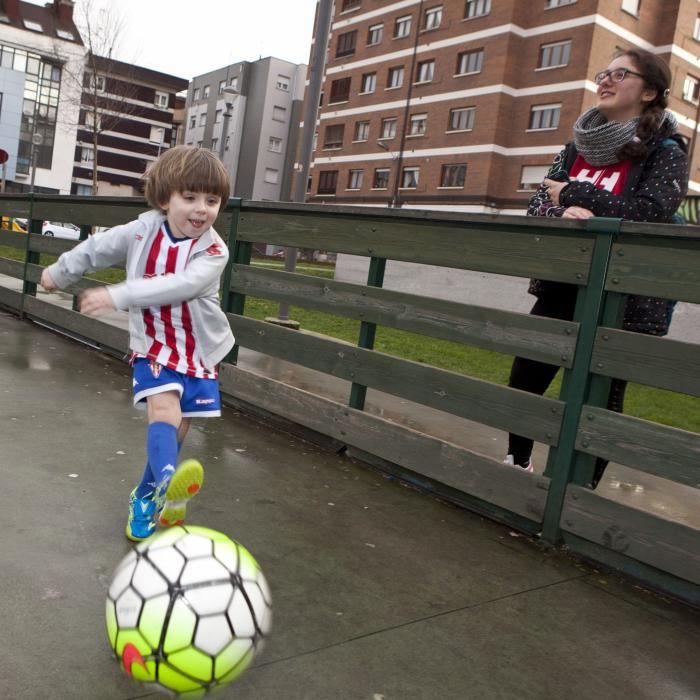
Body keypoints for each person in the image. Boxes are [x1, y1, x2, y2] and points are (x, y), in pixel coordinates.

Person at [505, 48, 688, 487]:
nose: (605, 80)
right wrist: (558, 211)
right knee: (524, 381)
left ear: (648, 91)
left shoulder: (665, 151)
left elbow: (650, 213)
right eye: (604, 73)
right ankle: (517, 469)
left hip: (623, 298)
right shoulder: (575, 147)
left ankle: (577, 490)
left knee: (600, 399)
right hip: (563, 283)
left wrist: (572, 195)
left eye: (620, 74)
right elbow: (536, 206)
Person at [40, 146, 235, 540]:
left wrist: (119, 295)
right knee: (163, 412)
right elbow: (98, 248)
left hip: (197, 352)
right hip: (154, 345)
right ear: (166, 199)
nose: (202, 210)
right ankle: (167, 482)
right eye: (190, 197)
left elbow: (182, 285)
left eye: (212, 201)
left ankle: (147, 495)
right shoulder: (143, 229)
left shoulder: (214, 250)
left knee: (178, 429)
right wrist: (61, 272)